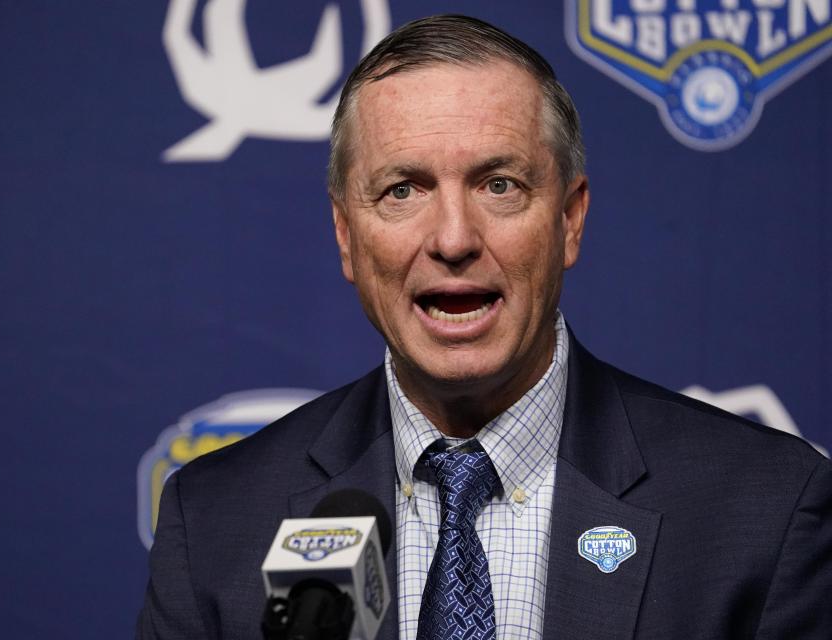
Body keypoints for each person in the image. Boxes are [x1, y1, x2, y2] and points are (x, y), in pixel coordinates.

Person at [137, 15, 832, 640]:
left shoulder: (764, 509)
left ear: (569, 219)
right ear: (346, 237)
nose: (453, 238)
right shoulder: (218, 520)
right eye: (401, 189)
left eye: (499, 184)